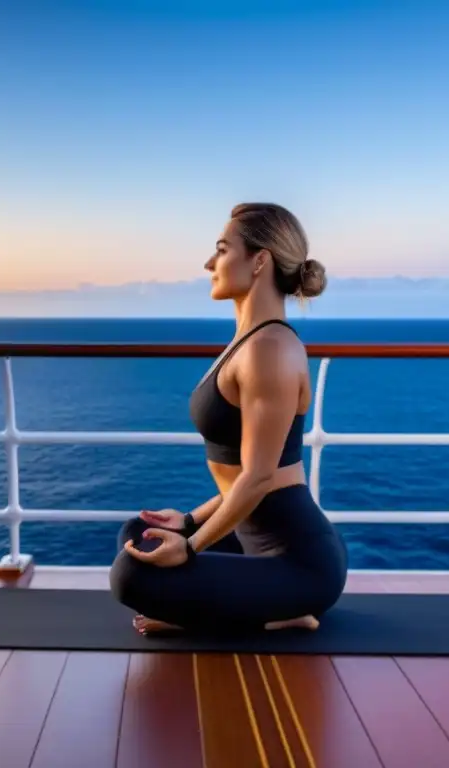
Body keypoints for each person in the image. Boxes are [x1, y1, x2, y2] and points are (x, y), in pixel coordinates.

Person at [109, 202, 349, 636]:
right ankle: (253, 607)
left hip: (298, 562)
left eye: (221, 250)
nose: (209, 263)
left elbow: (258, 478)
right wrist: (185, 522)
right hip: (250, 539)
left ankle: (280, 612)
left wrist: (191, 545)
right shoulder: (248, 341)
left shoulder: (270, 349)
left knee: (130, 576)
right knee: (138, 534)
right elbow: (240, 478)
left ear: (259, 261)